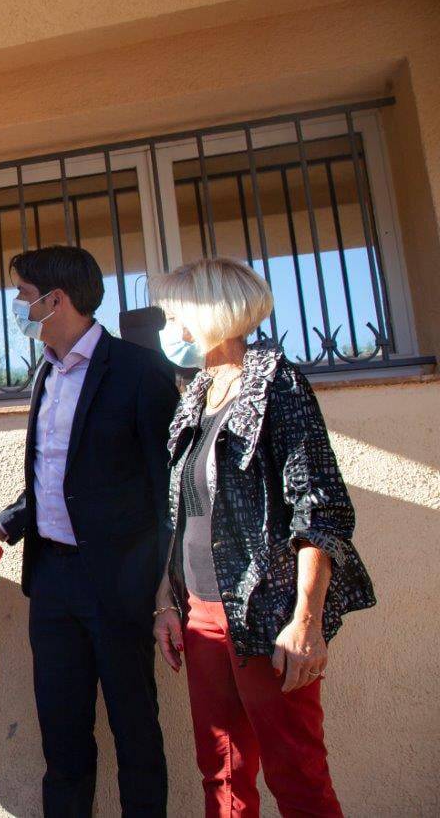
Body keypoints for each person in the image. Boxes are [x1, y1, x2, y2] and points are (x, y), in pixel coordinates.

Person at [150, 258, 375, 818]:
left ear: (208, 312)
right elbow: (180, 513)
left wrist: (306, 621)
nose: (167, 325)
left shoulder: (278, 383)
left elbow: (319, 508)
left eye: (173, 312)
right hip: (199, 612)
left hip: (266, 612)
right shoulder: (195, 394)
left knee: (296, 773)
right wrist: (164, 601)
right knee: (222, 774)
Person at [0, 245, 178, 817]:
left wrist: (164, 591)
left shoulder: (141, 373)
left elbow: (169, 491)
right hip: (54, 583)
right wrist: (8, 522)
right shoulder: (44, 371)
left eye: (21, 294)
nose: (16, 305)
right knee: (61, 739)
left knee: (136, 736)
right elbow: (51, 475)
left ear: (54, 300)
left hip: (121, 585)